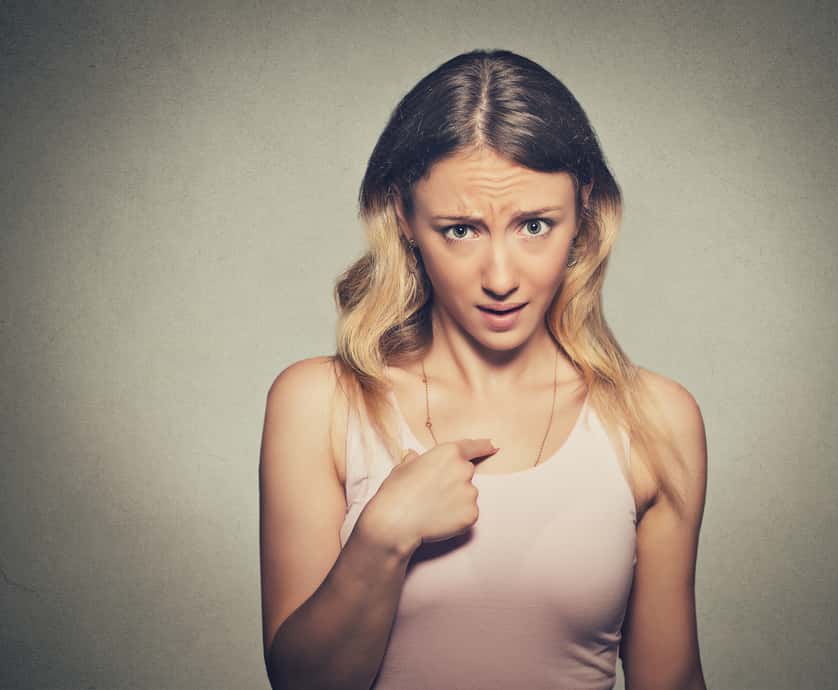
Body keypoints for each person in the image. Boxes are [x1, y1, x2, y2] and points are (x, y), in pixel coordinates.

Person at [258, 49, 708, 690]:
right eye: (461, 230)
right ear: (403, 217)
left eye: (534, 225)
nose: (501, 278)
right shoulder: (319, 404)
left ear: (583, 211)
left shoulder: (655, 420)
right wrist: (382, 538)